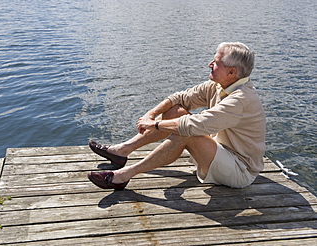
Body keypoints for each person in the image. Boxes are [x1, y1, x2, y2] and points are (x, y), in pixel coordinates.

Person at [88, 42, 266, 190]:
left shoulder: (240, 99)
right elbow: (179, 98)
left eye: (216, 62)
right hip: (218, 154)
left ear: (231, 72)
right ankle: (122, 151)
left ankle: (124, 175)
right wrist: (151, 114)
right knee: (175, 111)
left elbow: (194, 125)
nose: (210, 64)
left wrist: (154, 125)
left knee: (187, 132)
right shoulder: (219, 85)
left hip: (239, 171)